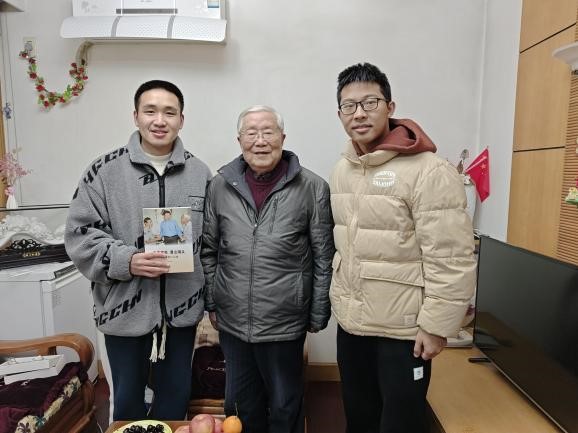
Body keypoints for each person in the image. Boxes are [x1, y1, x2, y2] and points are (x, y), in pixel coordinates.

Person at [329, 62, 476, 433]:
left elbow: (451, 256)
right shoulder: (343, 169)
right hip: (353, 325)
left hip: (403, 332)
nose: (359, 113)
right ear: (340, 113)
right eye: (349, 106)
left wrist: (437, 326)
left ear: (390, 107)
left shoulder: (429, 170)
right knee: (358, 418)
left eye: (370, 102)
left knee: (400, 423)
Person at [64, 80, 212, 421]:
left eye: (169, 112)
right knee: (127, 406)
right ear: (136, 116)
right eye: (150, 111)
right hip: (123, 312)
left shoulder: (200, 173)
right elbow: (80, 235)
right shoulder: (104, 171)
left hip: (181, 313)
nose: (159, 120)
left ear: (181, 120)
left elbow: (212, 243)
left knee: (175, 402)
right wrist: (127, 260)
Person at [201, 105, 334, 433]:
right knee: (240, 406)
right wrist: (212, 302)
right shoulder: (220, 186)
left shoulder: (312, 187)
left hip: (284, 320)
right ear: (240, 141)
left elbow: (323, 256)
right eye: (251, 133)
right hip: (233, 321)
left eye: (268, 132)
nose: (260, 141)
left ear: (282, 138)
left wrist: (318, 312)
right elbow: (209, 250)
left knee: (285, 404)